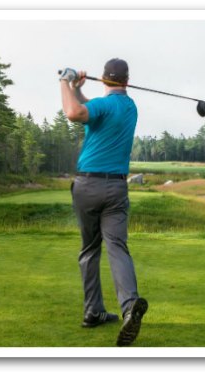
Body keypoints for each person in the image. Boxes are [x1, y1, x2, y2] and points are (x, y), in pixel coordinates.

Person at [59, 59, 147, 347]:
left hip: (87, 185)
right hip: (117, 187)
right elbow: (91, 110)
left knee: (89, 250)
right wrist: (79, 90)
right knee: (117, 248)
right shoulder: (130, 107)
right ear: (127, 80)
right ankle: (128, 307)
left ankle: (92, 311)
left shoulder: (101, 105)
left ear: (105, 80)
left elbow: (74, 113)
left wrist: (65, 80)